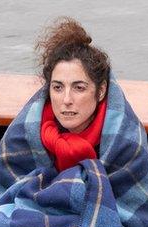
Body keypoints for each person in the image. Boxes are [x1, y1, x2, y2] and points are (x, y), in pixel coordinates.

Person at [35, 17, 110, 172]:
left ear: (101, 91)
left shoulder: (122, 139)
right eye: (58, 87)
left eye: (79, 88)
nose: (67, 100)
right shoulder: (28, 132)